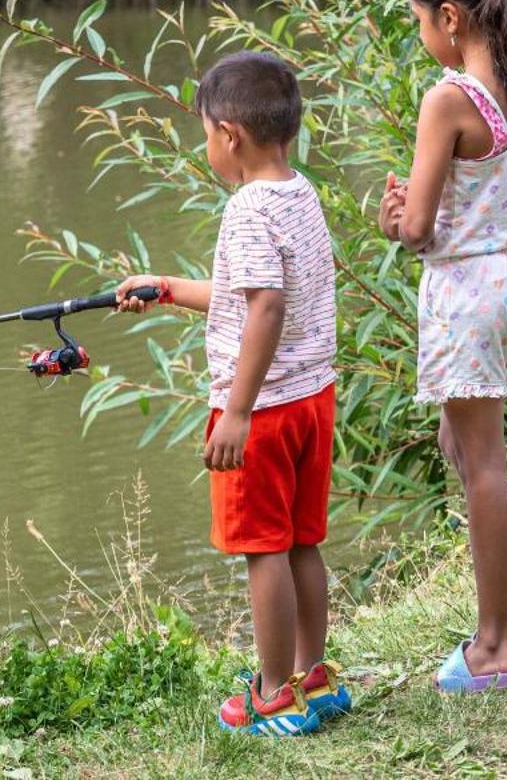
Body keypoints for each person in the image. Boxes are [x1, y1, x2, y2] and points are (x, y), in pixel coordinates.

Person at [116, 50, 346, 736]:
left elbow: (267, 308)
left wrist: (237, 411)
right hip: (311, 400)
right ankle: (313, 676)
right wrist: (169, 289)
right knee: (302, 541)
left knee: (264, 549)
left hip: (265, 412)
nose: (205, 145)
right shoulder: (298, 193)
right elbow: (257, 297)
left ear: (230, 136)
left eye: (204, 132)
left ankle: (272, 693)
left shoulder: (247, 207)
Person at [378, 0, 507, 693]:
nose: (422, 36)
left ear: (451, 18)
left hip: (465, 291)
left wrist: (390, 217)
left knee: (483, 462)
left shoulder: (448, 99)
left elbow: (417, 229)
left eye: (420, 20)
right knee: (463, 440)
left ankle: (496, 643)